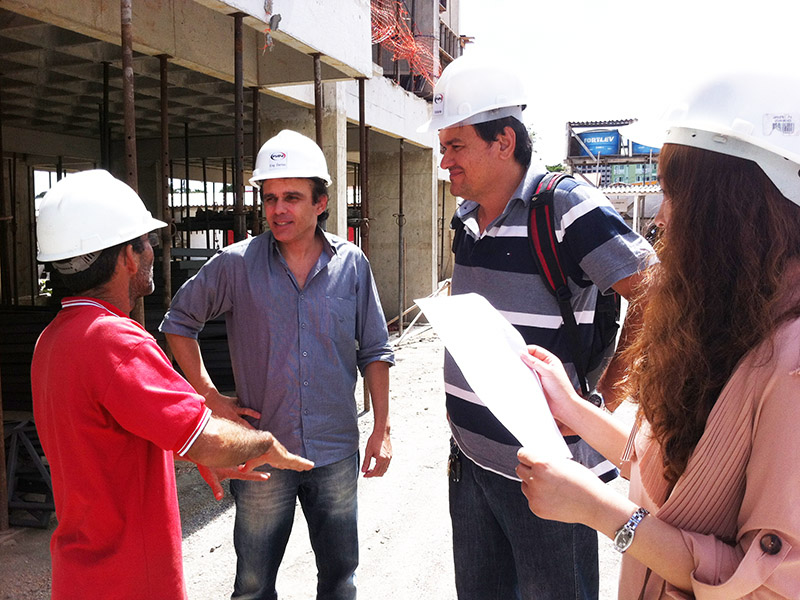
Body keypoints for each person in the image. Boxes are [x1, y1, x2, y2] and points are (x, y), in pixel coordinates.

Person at [518, 72, 800, 599]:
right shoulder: (729, 314)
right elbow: (664, 465)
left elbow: (768, 582)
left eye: (673, 195)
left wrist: (599, 510)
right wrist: (572, 407)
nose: (661, 218)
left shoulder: (790, 362)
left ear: (733, 211)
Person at [420, 53, 655, 599]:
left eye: (455, 145)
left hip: (550, 475)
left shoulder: (566, 207)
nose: (444, 160)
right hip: (471, 461)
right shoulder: (465, 218)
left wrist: (598, 407)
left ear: (503, 141)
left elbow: (658, 296)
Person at [30, 169, 314, 600]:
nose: (151, 251)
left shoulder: (53, 340)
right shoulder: (116, 342)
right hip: (131, 582)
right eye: (147, 241)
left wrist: (188, 448)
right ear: (127, 257)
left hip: (80, 577)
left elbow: (110, 439)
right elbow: (207, 438)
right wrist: (263, 442)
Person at [160, 129, 394, 600]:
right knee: (252, 585)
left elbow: (374, 349)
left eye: (292, 197)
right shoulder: (236, 265)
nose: (278, 209)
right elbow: (179, 322)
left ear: (321, 203)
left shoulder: (352, 265)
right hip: (262, 449)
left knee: (340, 579)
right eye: (270, 198)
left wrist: (382, 429)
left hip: (334, 449)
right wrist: (208, 395)